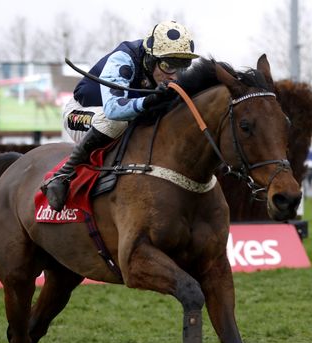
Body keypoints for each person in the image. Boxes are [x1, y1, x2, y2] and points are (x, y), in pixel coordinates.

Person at [42, 21, 199, 211]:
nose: (174, 76)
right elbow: (113, 109)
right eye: (167, 65)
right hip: (81, 114)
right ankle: (62, 175)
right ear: (150, 58)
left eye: (182, 66)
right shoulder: (123, 59)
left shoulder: (169, 74)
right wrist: (148, 101)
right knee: (115, 122)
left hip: (123, 116)